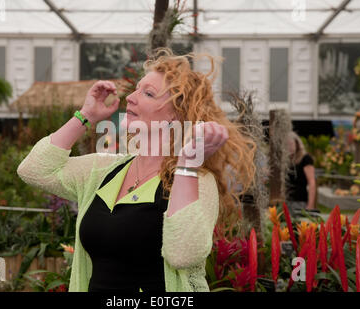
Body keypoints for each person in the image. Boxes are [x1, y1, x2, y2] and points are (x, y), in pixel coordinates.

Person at [17, 48, 256, 292]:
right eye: (137, 89)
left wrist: (187, 163)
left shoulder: (194, 179)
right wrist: (86, 114)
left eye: (148, 93)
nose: (131, 97)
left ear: (176, 115)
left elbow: (183, 256)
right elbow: (34, 170)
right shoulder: (105, 169)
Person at [286, 131, 317, 215]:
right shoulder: (285, 160)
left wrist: (310, 205)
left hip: (300, 202)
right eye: (286, 144)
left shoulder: (305, 159)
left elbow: (312, 182)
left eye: (291, 144)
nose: (289, 147)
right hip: (285, 201)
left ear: (297, 144)